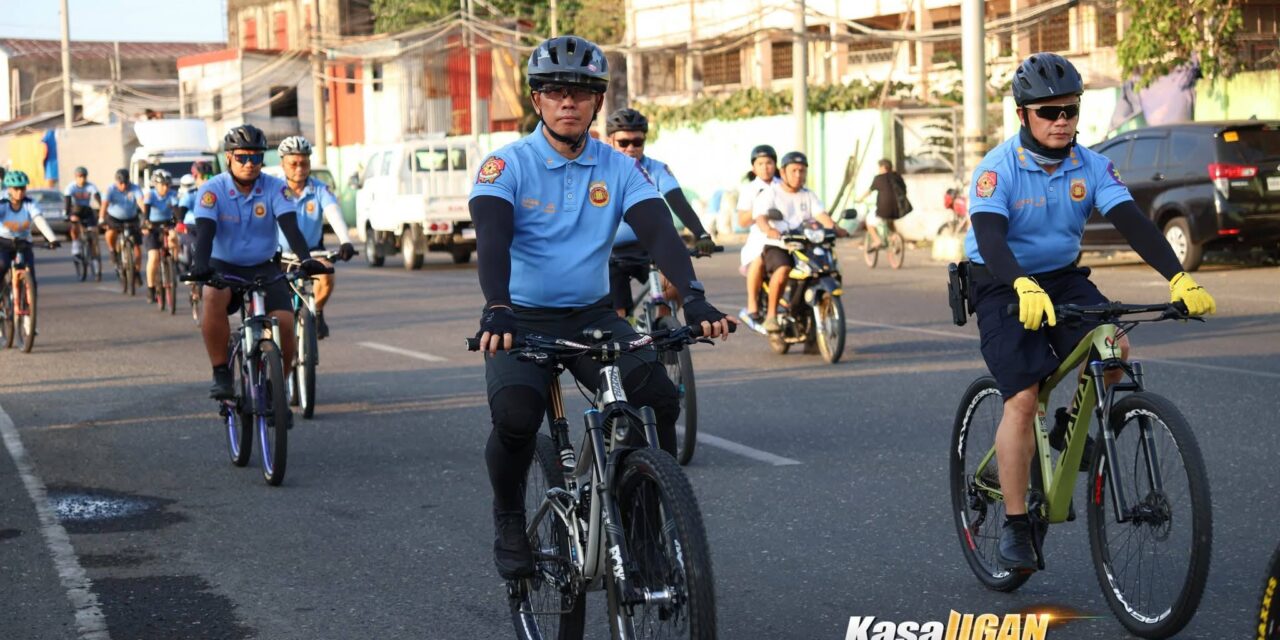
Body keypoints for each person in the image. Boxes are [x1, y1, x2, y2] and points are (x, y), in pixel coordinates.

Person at [469, 35, 735, 581]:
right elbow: (492, 241)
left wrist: (696, 297)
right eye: (556, 91)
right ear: (537, 100)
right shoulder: (505, 165)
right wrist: (496, 307)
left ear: (596, 102)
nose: (569, 101)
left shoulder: (618, 167)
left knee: (659, 399)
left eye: (582, 93)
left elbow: (660, 232)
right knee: (518, 420)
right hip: (519, 318)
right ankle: (510, 519)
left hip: (592, 316)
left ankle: (641, 526)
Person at [963, 52, 1217, 573]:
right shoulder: (996, 169)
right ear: (1023, 115)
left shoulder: (1094, 166)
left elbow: (1134, 222)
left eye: (1070, 111)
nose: (1061, 122)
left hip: (1060, 278)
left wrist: (1178, 277)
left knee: (1114, 344)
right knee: (1022, 396)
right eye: (1049, 112)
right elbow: (989, 237)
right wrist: (1019, 284)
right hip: (999, 280)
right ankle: (1015, 524)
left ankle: (1062, 432)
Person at [185, 124, 325, 402]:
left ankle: (277, 387)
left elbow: (290, 227)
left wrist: (307, 258)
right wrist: (200, 265)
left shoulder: (275, 188)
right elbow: (205, 233)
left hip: (264, 266)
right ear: (229, 158)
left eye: (256, 157)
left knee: (286, 324)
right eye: (242, 157)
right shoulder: (212, 190)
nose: (250, 164)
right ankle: (221, 372)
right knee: (211, 297)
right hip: (224, 265)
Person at [604, 108, 716, 318]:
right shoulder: (601, 170)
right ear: (610, 141)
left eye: (637, 142)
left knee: (676, 287)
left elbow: (678, 201)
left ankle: (663, 326)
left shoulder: (657, 169)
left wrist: (701, 234)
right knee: (618, 315)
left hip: (650, 248)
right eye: (624, 143)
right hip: (612, 253)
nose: (631, 148)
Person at [752, 151, 846, 331]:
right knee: (783, 270)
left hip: (806, 244)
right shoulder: (771, 193)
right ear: (783, 172)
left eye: (802, 171)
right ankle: (771, 316)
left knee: (826, 268)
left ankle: (813, 317)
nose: (798, 175)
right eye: (794, 171)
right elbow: (761, 218)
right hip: (779, 244)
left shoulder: (808, 195)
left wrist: (835, 228)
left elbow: (821, 215)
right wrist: (770, 230)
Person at [275, 135, 356, 338]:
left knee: (327, 272)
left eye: (304, 163)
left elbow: (333, 212)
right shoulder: (274, 188)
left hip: (311, 252)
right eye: (293, 163)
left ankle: (316, 310)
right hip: (279, 255)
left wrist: (345, 240)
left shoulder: (319, 188)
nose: (299, 168)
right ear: (282, 164)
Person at [736, 145, 782, 325]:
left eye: (769, 163)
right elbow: (742, 221)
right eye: (760, 163)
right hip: (760, 238)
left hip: (784, 233)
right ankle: (753, 306)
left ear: (776, 165)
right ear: (753, 167)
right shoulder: (750, 189)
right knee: (759, 259)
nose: (765, 167)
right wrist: (761, 209)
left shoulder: (783, 184)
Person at [1, 171, 60, 284]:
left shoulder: (30, 203)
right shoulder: (3, 203)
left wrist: (52, 239)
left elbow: (39, 220)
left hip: (24, 242)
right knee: (3, 265)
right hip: (4, 242)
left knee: (31, 275)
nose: (19, 192)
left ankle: (30, 299)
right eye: (16, 189)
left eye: (22, 189)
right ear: (9, 189)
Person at [141, 169, 179, 303]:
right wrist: (146, 223)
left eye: (168, 185)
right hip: (152, 225)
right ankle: (151, 289)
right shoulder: (150, 194)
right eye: (163, 185)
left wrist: (176, 224)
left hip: (167, 223)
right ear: (156, 185)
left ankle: (175, 262)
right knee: (154, 257)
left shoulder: (172, 194)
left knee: (174, 237)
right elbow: (146, 210)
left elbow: (176, 212)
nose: (166, 188)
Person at [99, 168, 144, 271]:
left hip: (132, 217)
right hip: (114, 217)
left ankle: (136, 272)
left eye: (126, 183)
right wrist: (101, 218)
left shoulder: (135, 188)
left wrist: (146, 217)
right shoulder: (110, 189)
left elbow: (141, 202)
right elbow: (104, 204)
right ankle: (112, 250)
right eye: (121, 183)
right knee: (110, 233)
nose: (124, 186)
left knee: (137, 247)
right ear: (117, 182)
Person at [859, 159, 908, 248]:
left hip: (884, 209)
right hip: (898, 209)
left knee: (869, 222)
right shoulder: (898, 177)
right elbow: (904, 190)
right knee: (890, 222)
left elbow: (869, 191)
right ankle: (894, 238)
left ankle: (877, 240)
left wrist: (859, 199)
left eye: (879, 168)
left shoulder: (879, 178)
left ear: (883, 168)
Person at [63, 166, 100, 257]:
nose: (82, 179)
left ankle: (93, 250)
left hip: (86, 210)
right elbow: (67, 202)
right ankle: (75, 243)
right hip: (75, 210)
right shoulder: (71, 187)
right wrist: (67, 214)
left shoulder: (90, 186)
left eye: (84, 176)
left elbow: (98, 198)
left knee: (93, 229)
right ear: (76, 177)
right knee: (74, 223)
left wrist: (102, 210)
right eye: (79, 177)